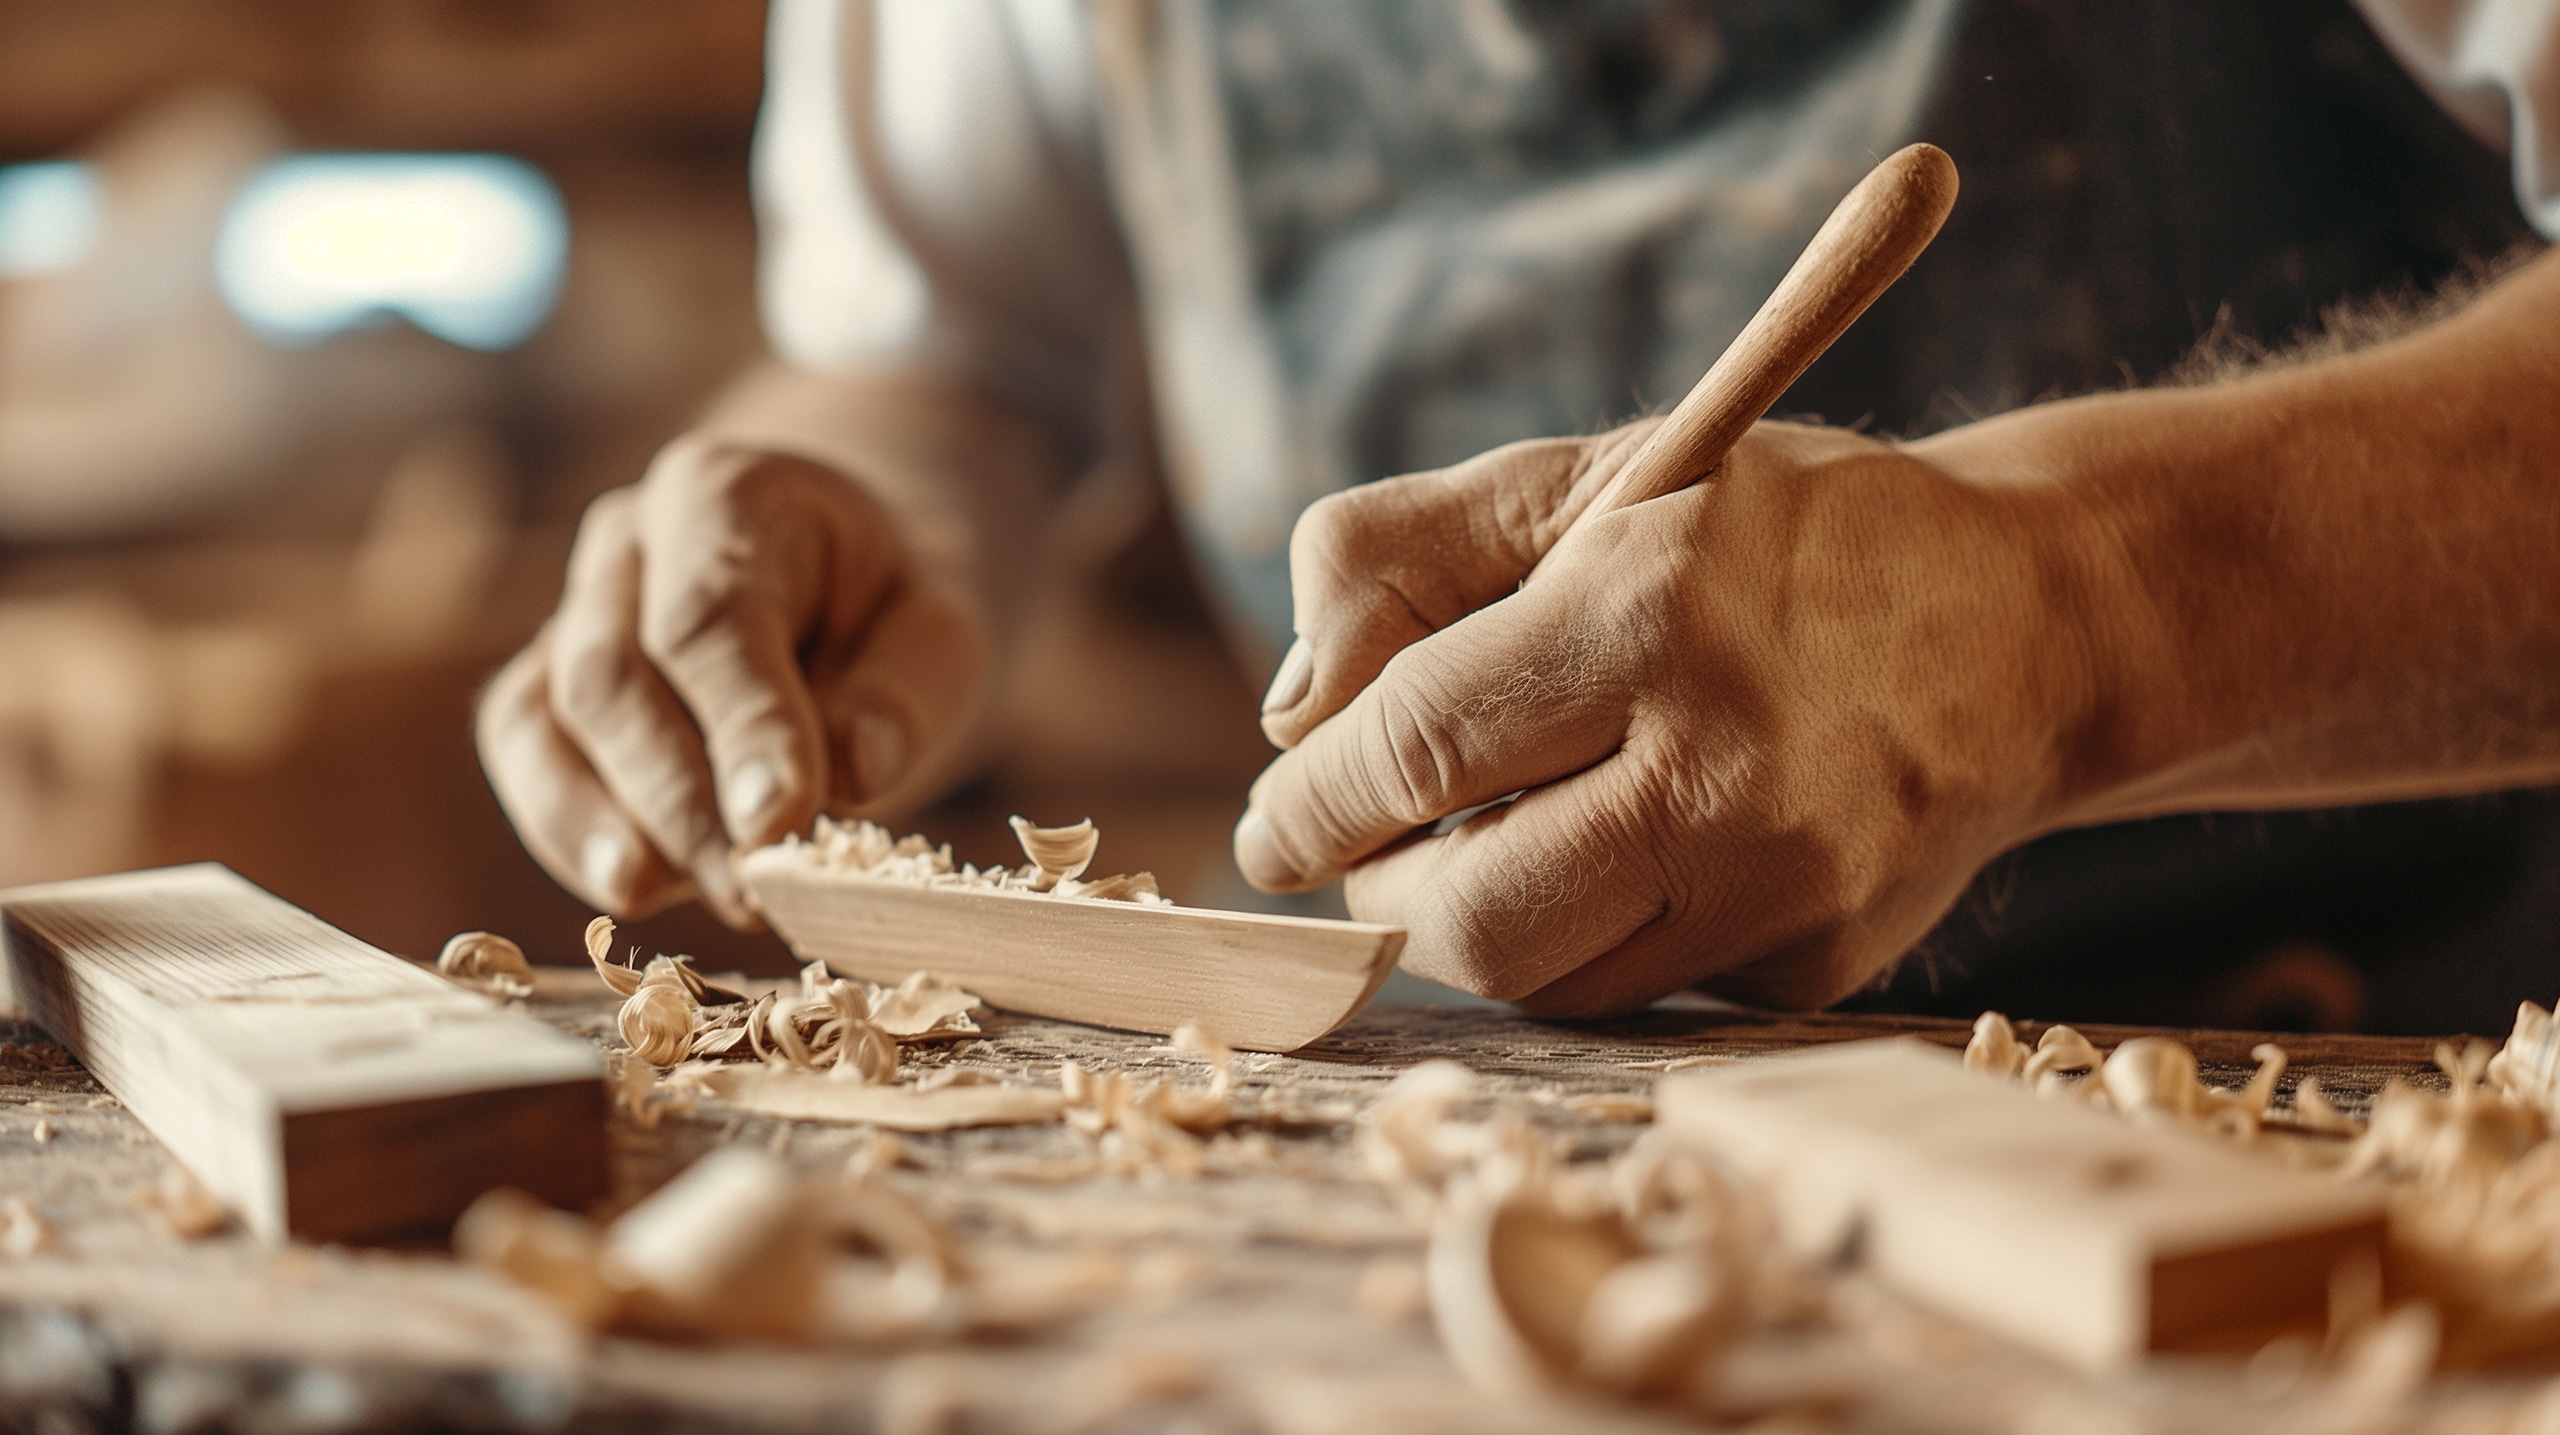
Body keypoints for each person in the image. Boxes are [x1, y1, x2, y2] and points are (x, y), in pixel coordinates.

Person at [477, 0, 2560, 1024]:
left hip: (2357, 1106)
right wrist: (862, 503)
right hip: (1460, 1130)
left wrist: (2074, 612)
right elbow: (936, 351)